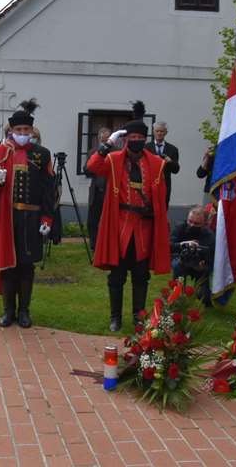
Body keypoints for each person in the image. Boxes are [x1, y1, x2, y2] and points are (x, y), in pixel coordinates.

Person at [0, 99, 55, 328]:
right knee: (8, 266)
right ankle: (8, 311)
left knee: (27, 266)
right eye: (18, 130)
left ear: (32, 131)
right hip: (6, 220)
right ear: (11, 131)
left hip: (32, 219)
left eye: (26, 130)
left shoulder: (42, 154)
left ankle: (25, 311)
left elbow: (50, 190)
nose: (22, 133)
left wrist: (47, 218)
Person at [87, 101, 171, 332]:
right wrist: (107, 144)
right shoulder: (114, 160)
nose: (135, 142)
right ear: (125, 140)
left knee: (141, 275)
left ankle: (138, 316)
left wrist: (155, 212)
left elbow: (161, 194)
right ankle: (115, 317)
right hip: (120, 225)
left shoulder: (155, 163)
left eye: (139, 138)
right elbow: (93, 166)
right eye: (131, 138)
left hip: (143, 226)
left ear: (145, 140)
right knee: (117, 275)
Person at [171, 206, 215, 307]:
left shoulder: (209, 235)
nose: (192, 225)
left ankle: (204, 295)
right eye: (190, 221)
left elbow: (212, 260)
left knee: (204, 298)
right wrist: (183, 244)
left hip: (199, 265)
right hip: (180, 260)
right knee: (178, 266)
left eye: (196, 223)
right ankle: (176, 296)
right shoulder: (180, 227)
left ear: (205, 223)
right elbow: (169, 246)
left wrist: (203, 266)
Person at [86, 128, 111, 250]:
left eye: (107, 137)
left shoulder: (116, 152)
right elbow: (86, 169)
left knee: (109, 220)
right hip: (96, 191)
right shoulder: (92, 151)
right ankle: (93, 244)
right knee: (92, 220)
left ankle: (107, 243)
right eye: (103, 137)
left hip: (109, 190)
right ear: (99, 138)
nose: (105, 139)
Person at [148, 121, 180, 207]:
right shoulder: (146, 148)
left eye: (161, 131)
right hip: (149, 184)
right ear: (153, 131)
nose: (159, 133)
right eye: (157, 131)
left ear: (166, 132)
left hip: (165, 184)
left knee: (163, 208)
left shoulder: (173, 149)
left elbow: (176, 170)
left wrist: (170, 161)